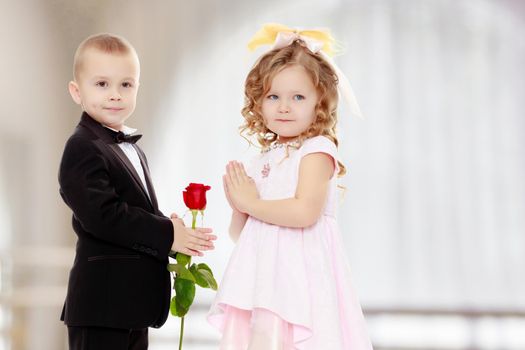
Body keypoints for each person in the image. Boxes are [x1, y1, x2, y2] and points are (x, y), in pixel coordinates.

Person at [208, 24, 373, 349]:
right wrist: (239, 206)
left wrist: (252, 203)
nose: (284, 106)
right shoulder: (263, 157)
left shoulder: (317, 151)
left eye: (298, 97)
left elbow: (304, 212)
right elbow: (243, 235)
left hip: (300, 279)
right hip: (262, 280)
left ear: (319, 102)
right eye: (273, 96)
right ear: (259, 102)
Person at [58, 33, 217, 350]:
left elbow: (134, 210)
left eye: (126, 85)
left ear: (137, 89)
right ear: (77, 91)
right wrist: (164, 233)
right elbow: (104, 216)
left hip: (131, 304)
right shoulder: (82, 146)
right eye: (102, 84)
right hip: (102, 305)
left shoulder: (131, 148)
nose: (115, 95)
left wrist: (174, 232)